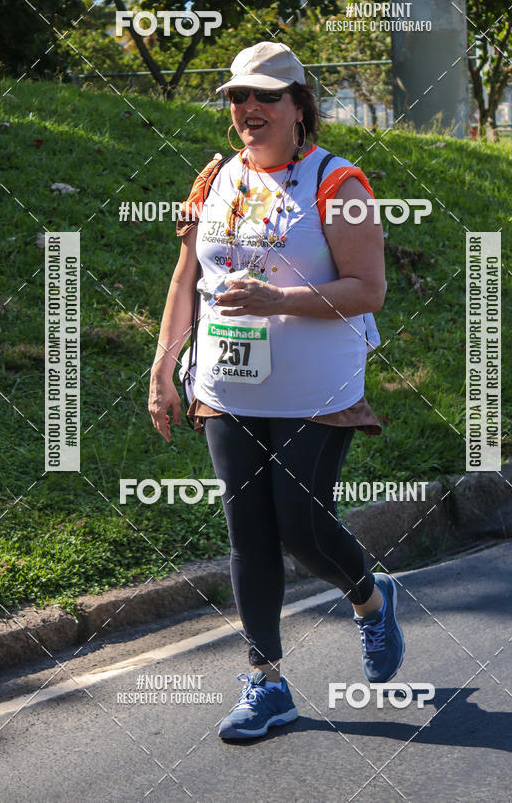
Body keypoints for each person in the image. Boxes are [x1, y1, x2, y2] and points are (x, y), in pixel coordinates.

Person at [148, 41, 404, 740]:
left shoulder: (337, 183)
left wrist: (277, 299)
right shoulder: (216, 179)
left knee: (299, 524)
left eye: (265, 96)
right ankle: (267, 683)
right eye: (238, 97)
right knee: (247, 534)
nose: (249, 109)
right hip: (227, 383)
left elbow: (369, 289)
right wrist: (164, 368)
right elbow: (185, 282)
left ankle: (369, 599)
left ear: (299, 107)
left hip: (316, 389)